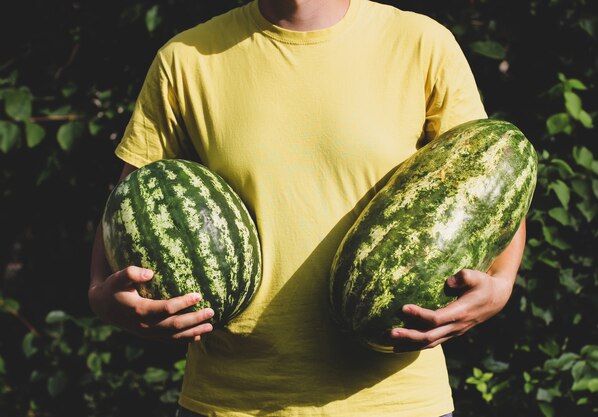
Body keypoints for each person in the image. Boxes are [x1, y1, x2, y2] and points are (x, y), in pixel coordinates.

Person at [88, 0, 527, 416]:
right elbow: (130, 205)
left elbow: (492, 178)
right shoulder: (184, 59)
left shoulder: (421, 43)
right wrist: (104, 298)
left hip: (396, 402)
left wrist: (501, 286)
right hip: (229, 400)